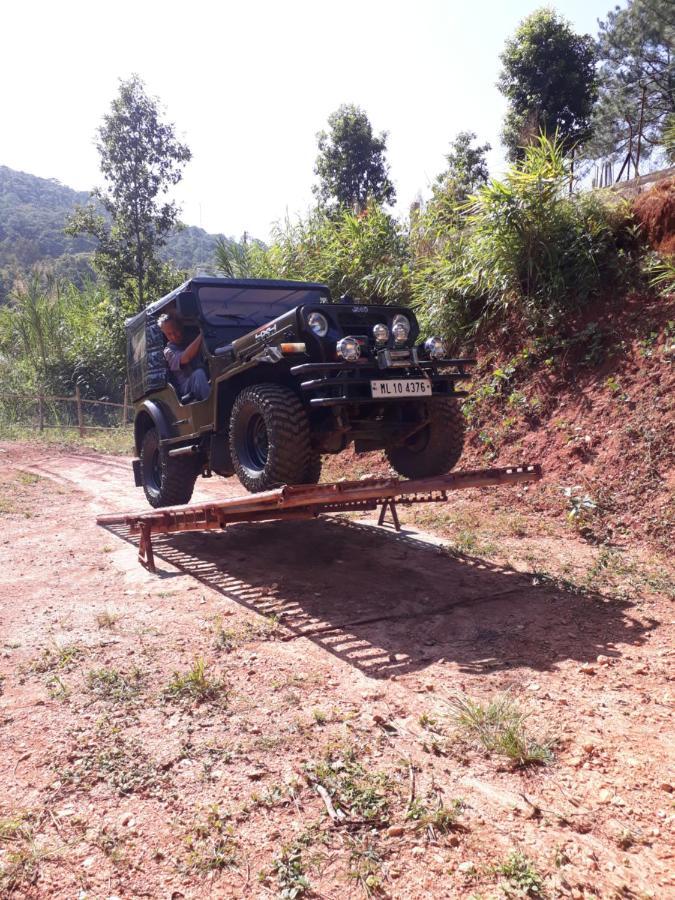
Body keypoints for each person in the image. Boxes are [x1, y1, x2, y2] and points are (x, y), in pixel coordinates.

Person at [158, 313, 210, 402]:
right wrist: (202, 334)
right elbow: (185, 358)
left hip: (205, 378)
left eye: (175, 331)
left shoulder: (191, 339)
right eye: (169, 334)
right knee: (198, 374)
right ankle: (212, 406)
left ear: (180, 327)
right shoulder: (168, 351)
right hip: (186, 387)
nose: (173, 336)